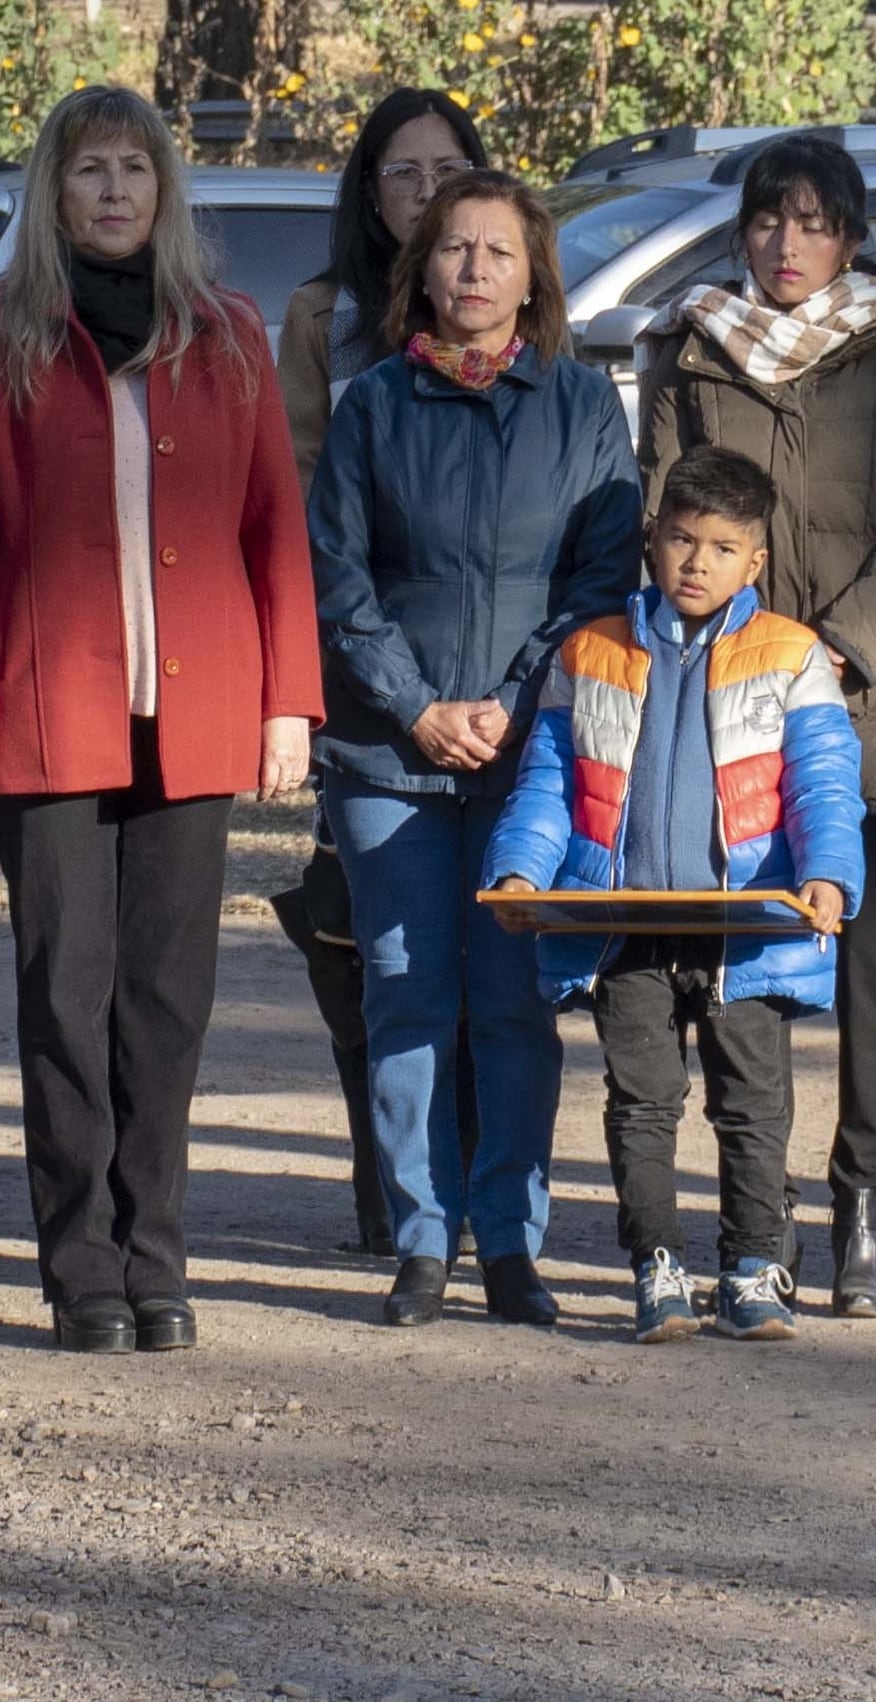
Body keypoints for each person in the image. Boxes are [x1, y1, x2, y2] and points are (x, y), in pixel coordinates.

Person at [0, 84, 316, 1356]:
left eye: (133, 173)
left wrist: (289, 703)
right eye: (88, 171)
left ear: (163, 192)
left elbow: (274, 531)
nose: (111, 194)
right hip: (44, 708)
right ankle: (79, 1261)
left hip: (197, 713)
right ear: (54, 189)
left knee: (165, 997)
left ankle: (159, 1257)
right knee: (61, 987)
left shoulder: (230, 331)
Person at [631, 131, 876, 1319]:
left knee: (870, 974)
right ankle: (745, 1222)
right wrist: (743, 651)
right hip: (714, 711)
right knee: (725, 980)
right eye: (770, 221)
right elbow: (667, 513)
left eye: (814, 223)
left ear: (852, 237)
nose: (787, 245)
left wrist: (833, 646)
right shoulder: (686, 344)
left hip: (866, 712)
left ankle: (864, 1212)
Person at [309, 169, 644, 1326]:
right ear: (423, 266)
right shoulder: (372, 405)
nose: (473, 272)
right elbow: (338, 579)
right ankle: (418, 1239)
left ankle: (508, 1242)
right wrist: (415, 707)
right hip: (382, 752)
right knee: (405, 990)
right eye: (455, 249)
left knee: (509, 1000)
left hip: (526, 751)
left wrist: (506, 699)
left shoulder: (581, 406)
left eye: (498, 253)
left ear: (531, 274)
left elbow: (601, 576)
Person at [484, 446, 865, 1343]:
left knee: (752, 1104)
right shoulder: (590, 652)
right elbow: (550, 780)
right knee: (642, 1102)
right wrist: (522, 871)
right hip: (625, 928)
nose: (698, 563)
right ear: (652, 540)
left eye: (723, 548)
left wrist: (829, 872)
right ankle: (656, 1264)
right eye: (682, 540)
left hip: (750, 928)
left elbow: (822, 780)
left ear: (755, 562)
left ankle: (751, 1266)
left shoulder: (793, 656)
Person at [271, 88, 489, 1256]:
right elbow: (301, 490)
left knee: (480, 940)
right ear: (369, 191)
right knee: (365, 930)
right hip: (359, 656)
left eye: (443, 168)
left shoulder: (509, 310)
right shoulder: (324, 316)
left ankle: (467, 1181)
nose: (421, 191)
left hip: (486, 667)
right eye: (399, 173)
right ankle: (388, 1175)